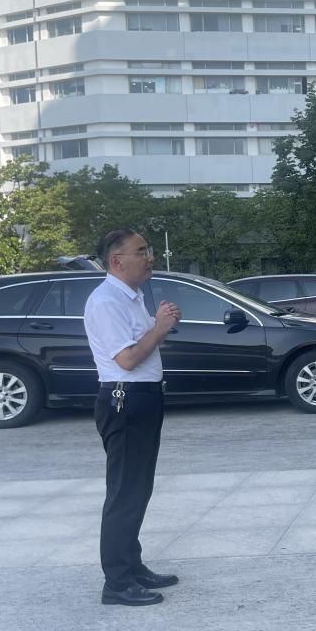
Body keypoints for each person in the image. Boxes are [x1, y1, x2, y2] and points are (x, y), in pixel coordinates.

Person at [84, 229, 182, 607]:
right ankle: (117, 582)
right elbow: (126, 360)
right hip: (123, 401)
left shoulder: (131, 297)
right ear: (116, 261)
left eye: (148, 250)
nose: (150, 257)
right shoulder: (106, 301)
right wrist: (160, 328)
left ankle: (132, 565)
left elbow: (140, 347)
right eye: (141, 252)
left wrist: (157, 325)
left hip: (142, 398)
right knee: (125, 492)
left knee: (138, 489)